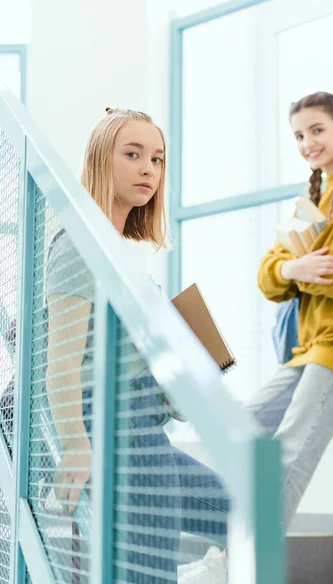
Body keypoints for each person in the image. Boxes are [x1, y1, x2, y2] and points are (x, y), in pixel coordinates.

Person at [181, 91, 333, 583]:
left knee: (290, 452)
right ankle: (227, 544)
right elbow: (267, 279)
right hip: (312, 345)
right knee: (243, 425)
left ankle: (244, 564)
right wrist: (296, 266)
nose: (307, 143)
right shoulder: (313, 199)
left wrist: (290, 266)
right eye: (299, 135)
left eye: (317, 130)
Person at [44, 108, 228, 584]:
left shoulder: (118, 253)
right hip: (119, 435)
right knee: (148, 575)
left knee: (242, 511)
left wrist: (183, 384)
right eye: (133, 154)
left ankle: (201, 574)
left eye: (158, 158)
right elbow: (61, 364)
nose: (149, 169)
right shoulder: (80, 245)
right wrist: (76, 445)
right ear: (102, 160)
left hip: (146, 426)